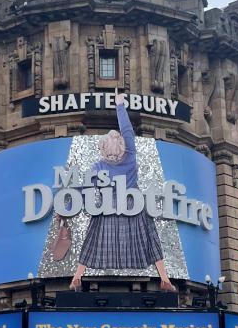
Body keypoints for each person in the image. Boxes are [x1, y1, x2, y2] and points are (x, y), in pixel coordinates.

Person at [70, 89, 175, 292]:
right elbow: (127, 129)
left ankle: (76, 277)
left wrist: (63, 209)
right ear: (122, 145)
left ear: (103, 148)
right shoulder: (130, 155)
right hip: (133, 204)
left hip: (109, 206)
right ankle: (165, 278)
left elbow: (81, 189)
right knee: (150, 238)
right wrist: (120, 105)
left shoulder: (99, 165)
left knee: (92, 239)